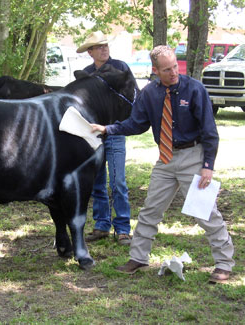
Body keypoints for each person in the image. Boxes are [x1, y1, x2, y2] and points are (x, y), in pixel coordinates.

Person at [91, 45, 235, 283]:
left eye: (175, 67)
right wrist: (108, 129)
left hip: (193, 156)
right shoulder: (150, 93)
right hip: (166, 158)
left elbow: (210, 131)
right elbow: (135, 124)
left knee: (206, 213)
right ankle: (138, 257)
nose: (174, 72)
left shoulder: (195, 89)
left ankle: (223, 263)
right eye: (167, 69)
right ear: (155, 70)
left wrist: (207, 166)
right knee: (150, 210)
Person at [76, 31, 138, 245]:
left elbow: (134, 96)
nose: (104, 49)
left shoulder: (121, 68)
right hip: (94, 134)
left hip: (115, 131)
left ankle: (122, 228)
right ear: (90, 52)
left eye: (105, 45)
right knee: (97, 182)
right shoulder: (85, 74)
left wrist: (123, 123)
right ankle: (102, 225)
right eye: (98, 46)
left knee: (118, 181)